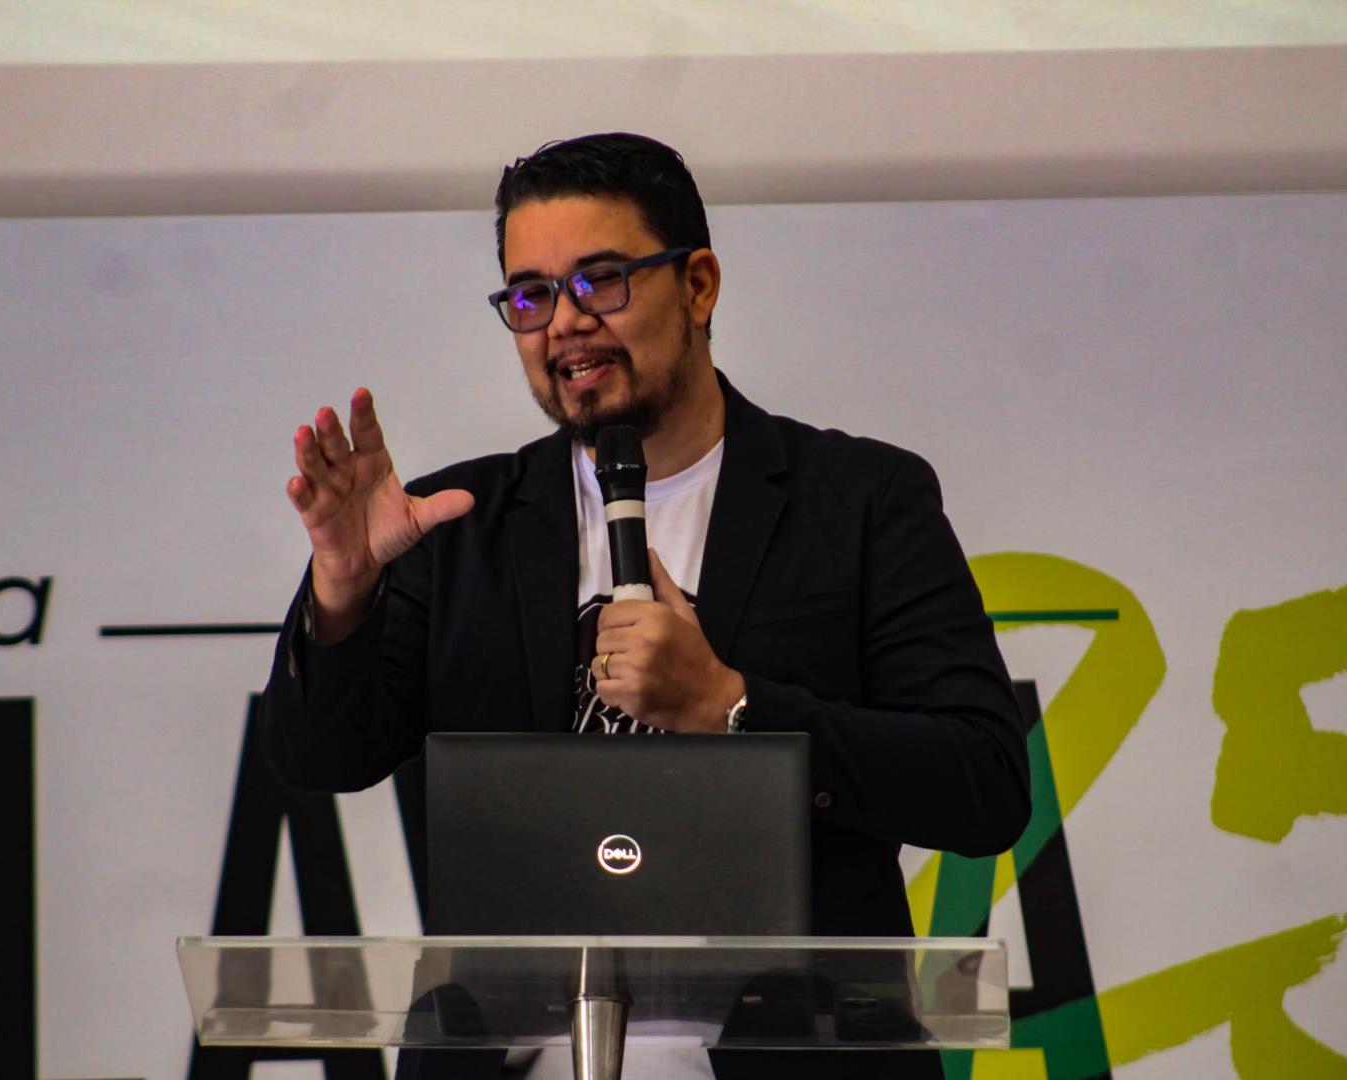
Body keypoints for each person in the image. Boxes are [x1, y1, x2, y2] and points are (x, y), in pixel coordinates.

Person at [261, 133, 1030, 1080]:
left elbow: (984, 780)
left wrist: (730, 706)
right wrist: (342, 587)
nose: (565, 324)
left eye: (603, 281)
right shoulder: (454, 523)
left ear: (698, 285)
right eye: (532, 296)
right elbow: (319, 757)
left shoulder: (860, 501)